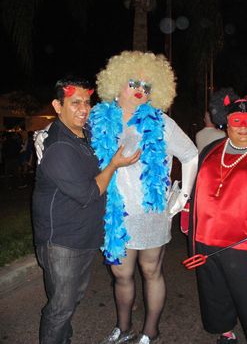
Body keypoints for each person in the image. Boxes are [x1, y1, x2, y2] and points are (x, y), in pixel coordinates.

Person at [35, 51, 198, 344]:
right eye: (133, 82)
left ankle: (151, 332)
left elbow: (190, 155)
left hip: (151, 214)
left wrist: (182, 196)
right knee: (121, 276)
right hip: (113, 215)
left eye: (147, 86)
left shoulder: (160, 122)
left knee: (152, 272)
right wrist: (41, 134)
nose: (140, 90)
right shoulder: (97, 117)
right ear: (116, 83)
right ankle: (123, 329)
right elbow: (68, 126)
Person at [32, 77, 140, 344]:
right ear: (58, 105)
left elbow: (112, 116)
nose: (84, 109)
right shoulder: (58, 147)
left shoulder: (83, 133)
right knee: (60, 308)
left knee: (70, 300)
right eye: (75, 102)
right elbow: (89, 193)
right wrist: (114, 164)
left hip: (81, 237)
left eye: (87, 102)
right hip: (61, 242)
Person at [187, 91, 247, 344]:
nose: (243, 128)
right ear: (226, 123)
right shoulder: (211, 149)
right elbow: (196, 185)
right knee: (215, 294)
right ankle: (226, 332)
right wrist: (188, 212)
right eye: (237, 122)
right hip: (206, 240)